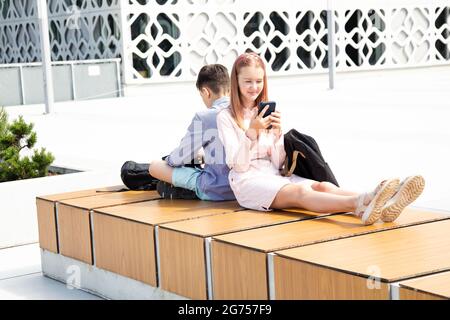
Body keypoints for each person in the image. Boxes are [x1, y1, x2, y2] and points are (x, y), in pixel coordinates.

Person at [216, 52, 425, 225]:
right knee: (300, 191)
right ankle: (360, 204)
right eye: (248, 82)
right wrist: (252, 132)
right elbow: (238, 165)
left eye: (259, 81)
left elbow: (279, 163)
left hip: (274, 175)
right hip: (247, 182)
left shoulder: (265, 112)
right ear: (236, 82)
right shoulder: (225, 117)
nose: (254, 87)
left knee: (322, 186)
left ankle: (380, 200)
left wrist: (278, 134)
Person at [148, 64, 235, 201]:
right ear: (230, 89)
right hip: (240, 189)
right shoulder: (244, 112)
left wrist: (169, 159)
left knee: (154, 167)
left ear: (206, 92)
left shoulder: (205, 117)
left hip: (214, 189)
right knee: (200, 155)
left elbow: (179, 158)